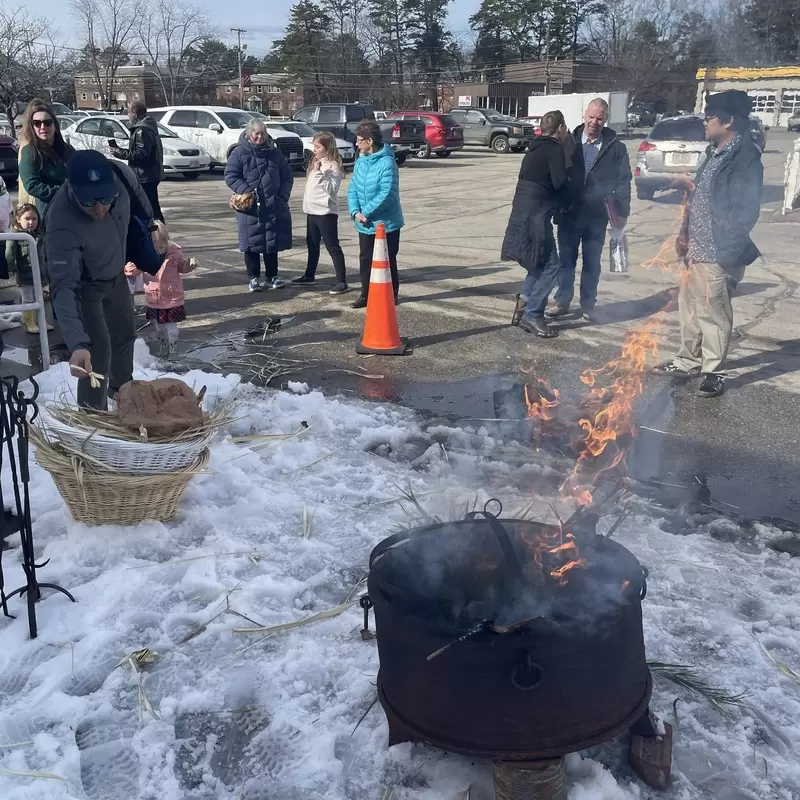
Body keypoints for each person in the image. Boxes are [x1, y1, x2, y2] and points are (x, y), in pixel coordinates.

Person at [653, 90, 763, 398]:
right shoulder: (714, 152)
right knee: (690, 308)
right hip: (696, 248)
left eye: (708, 117)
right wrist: (685, 235)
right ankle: (688, 360)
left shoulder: (745, 158)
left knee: (714, 312)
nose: (704, 122)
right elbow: (700, 198)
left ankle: (714, 371)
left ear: (727, 121)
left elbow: (746, 212)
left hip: (718, 250)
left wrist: (726, 250)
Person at [45, 150, 154, 409]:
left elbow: (142, 201)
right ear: (72, 189)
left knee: (125, 334)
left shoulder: (121, 174)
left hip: (115, 274)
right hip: (86, 284)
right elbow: (63, 287)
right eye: (89, 202)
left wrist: (155, 224)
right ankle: (92, 414)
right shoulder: (61, 223)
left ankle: (122, 394)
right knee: (97, 351)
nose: (100, 208)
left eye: (106, 198)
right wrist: (77, 344)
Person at [548, 98, 632, 323]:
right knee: (566, 261)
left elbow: (624, 181)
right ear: (584, 115)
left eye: (600, 118)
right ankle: (562, 301)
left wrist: (622, 212)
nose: (594, 122)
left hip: (597, 215)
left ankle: (588, 305)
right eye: (591, 117)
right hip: (570, 212)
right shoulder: (569, 141)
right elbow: (555, 174)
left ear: (606, 120)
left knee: (592, 262)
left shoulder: (616, 148)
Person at [501, 110, 570, 338]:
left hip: (522, 212)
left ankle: (522, 308)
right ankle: (534, 314)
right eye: (564, 128)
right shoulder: (554, 149)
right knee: (552, 266)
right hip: (536, 215)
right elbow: (560, 184)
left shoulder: (533, 149)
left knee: (537, 264)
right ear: (559, 128)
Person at [225, 118, 293, 292]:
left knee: (272, 243)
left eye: (263, 133)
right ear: (249, 134)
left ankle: (272, 276)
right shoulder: (239, 153)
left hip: (273, 205)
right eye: (256, 133)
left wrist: (282, 196)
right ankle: (253, 278)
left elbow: (287, 176)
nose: (260, 137)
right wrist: (247, 191)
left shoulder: (275, 154)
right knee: (252, 243)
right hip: (251, 207)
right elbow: (231, 175)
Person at [347, 121, 404, 309]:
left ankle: (391, 294)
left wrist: (366, 211)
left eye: (359, 140)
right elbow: (353, 188)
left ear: (369, 141)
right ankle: (366, 294)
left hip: (385, 223)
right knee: (366, 258)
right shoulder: (361, 160)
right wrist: (355, 211)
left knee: (387, 259)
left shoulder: (387, 162)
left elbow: (387, 193)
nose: (356, 144)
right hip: (364, 223)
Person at [124, 220, 197, 357]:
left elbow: (182, 267)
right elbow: (138, 270)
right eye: (156, 247)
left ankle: (173, 349)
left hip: (172, 296)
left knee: (172, 327)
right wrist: (129, 270)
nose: (159, 250)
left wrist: (189, 265)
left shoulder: (174, 251)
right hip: (154, 296)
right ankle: (164, 345)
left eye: (162, 246)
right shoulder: (144, 254)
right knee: (160, 327)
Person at [293, 131, 349, 295]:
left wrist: (318, 173)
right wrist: (315, 169)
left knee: (332, 246)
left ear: (327, 147)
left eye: (318, 146)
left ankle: (342, 281)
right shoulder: (316, 163)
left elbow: (331, 190)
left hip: (325, 213)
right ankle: (309, 275)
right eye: (314, 146)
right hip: (312, 211)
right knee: (312, 244)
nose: (314, 150)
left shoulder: (332, 166)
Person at [18, 99, 75, 217]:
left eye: (47, 122)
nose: (42, 127)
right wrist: (63, 193)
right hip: (50, 211)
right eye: (37, 123)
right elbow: (32, 185)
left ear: (54, 124)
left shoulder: (67, 149)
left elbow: (80, 171)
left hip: (74, 208)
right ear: (32, 127)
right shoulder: (30, 151)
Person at [110, 100, 165, 222]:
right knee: (150, 207)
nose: (128, 115)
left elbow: (141, 154)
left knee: (150, 209)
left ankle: (160, 237)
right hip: (148, 175)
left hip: (145, 176)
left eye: (128, 112)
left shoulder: (142, 130)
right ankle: (158, 235)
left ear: (134, 114)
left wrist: (118, 152)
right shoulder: (148, 127)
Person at [6, 204, 54, 334]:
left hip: (40, 273)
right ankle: (29, 322)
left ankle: (41, 321)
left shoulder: (40, 235)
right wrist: (10, 267)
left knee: (39, 298)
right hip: (25, 274)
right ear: (18, 219)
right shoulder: (16, 235)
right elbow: (9, 252)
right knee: (27, 298)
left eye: (34, 219)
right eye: (27, 219)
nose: (31, 222)